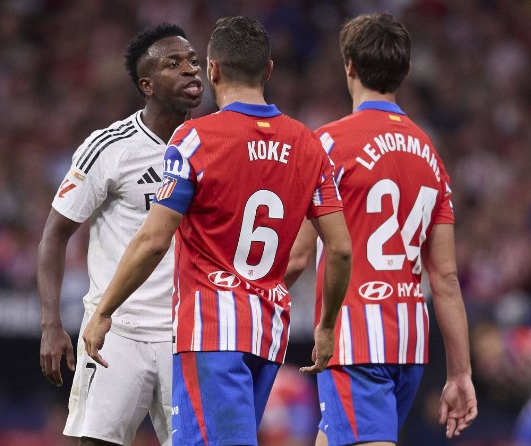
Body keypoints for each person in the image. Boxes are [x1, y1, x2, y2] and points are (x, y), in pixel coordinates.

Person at [82, 16, 352, 446]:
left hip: (211, 327)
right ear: (268, 71)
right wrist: (327, 325)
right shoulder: (309, 145)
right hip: (269, 329)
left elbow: (153, 240)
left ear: (213, 71)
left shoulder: (194, 138)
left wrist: (104, 310)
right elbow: (338, 249)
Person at [285, 12, 477, 445]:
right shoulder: (431, 155)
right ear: (406, 71)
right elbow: (445, 277)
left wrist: (248, 306)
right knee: (333, 437)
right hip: (410, 341)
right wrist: (460, 372)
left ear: (348, 66)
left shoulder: (330, 144)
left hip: (353, 337)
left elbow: (297, 255)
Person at [36, 23, 204, 446]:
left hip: (188, 334)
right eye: (174, 63)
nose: (191, 71)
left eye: (194, 62)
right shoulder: (109, 147)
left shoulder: (213, 144)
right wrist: (51, 324)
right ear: (146, 84)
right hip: (115, 332)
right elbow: (55, 235)